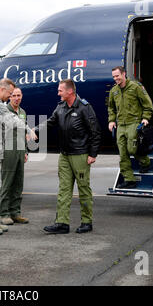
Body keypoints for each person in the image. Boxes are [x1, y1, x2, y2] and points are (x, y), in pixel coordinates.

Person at [34, 79, 101, 234]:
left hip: (80, 154)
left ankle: (86, 221)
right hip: (64, 155)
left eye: (60, 90)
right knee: (64, 189)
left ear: (70, 91)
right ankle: (62, 223)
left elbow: (95, 132)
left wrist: (93, 154)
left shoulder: (84, 107)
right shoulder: (60, 107)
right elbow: (50, 123)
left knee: (83, 189)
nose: (58, 93)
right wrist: (34, 131)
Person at [0, 78, 36, 235]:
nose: (10, 96)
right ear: (2, 89)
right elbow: (9, 119)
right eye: (10, 93)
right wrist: (29, 129)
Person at [108, 66, 153, 189]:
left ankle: (145, 162)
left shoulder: (135, 87)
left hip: (134, 123)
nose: (115, 78)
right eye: (113, 77)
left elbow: (147, 103)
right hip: (121, 125)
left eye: (117, 76)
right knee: (122, 154)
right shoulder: (114, 91)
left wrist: (145, 117)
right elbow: (111, 108)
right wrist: (111, 120)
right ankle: (129, 180)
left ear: (124, 74)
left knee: (132, 149)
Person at [0, 87, 29, 225]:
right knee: (7, 183)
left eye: (19, 95)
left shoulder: (22, 112)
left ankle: (15, 212)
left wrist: (26, 151)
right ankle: (4, 213)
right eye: (14, 95)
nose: (17, 98)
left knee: (18, 183)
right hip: (8, 151)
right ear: (9, 97)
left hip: (20, 150)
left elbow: (24, 132)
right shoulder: (4, 112)